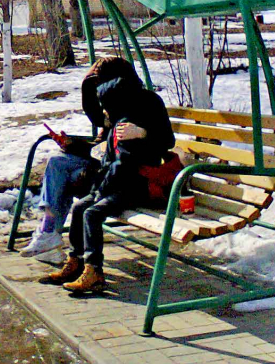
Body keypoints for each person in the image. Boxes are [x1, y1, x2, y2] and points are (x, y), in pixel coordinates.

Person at [40, 74, 178, 294]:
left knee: (92, 213)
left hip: (137, 185)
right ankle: (75, 261)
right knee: (79, 207)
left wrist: (100, 191)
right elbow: (106, 160)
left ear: (116, 103)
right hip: (119, 183)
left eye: (105, 106)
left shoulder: (128, 126)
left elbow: (124, 166)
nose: (103, 112)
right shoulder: (117, 124)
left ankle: (94, 271)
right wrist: (96, 188)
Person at [20, 57, 145, 258]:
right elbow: (99, 147)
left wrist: (141, 134)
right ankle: (49, 230)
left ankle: (54, 235)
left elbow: (140, 149)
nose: (98, 99)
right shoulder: (110, 112)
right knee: (57, 162)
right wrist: (72, 145)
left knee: (69, 177)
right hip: (102, 164)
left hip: (119, 174)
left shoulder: (134, 108)